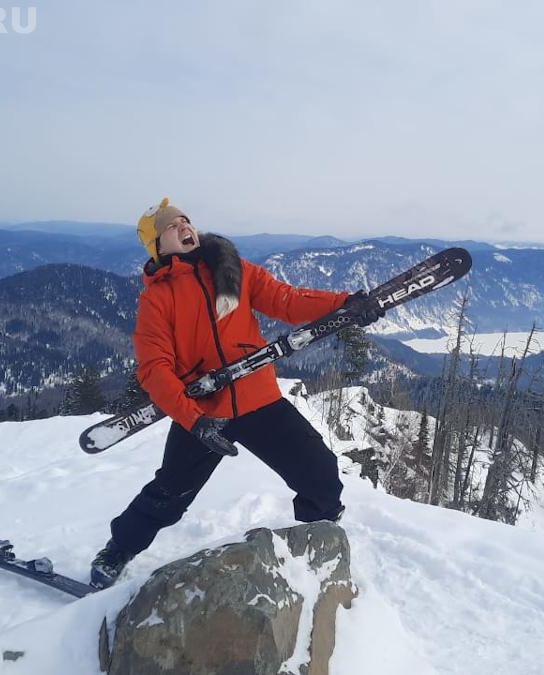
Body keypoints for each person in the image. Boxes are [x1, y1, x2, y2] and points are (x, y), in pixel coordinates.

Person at [90, 197, 385, 589]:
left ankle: (317, 541)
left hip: (257, 398)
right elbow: (154, 369)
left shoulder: (231, 270)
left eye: (185, 221)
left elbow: (286, 300)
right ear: (158, 246)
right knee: (169, 493)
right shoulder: (158, 299)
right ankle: (118, 549)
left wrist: (344, 305)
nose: (184, 228)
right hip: (203, 412)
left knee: (321, 475)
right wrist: (194, 420)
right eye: (172, 227)